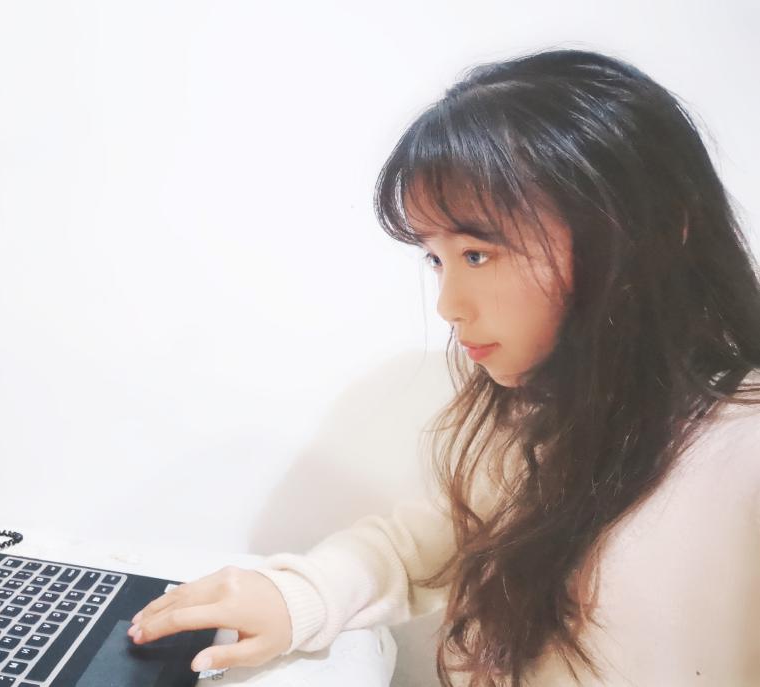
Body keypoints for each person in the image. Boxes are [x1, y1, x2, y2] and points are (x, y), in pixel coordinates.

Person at [127, 48, 760, 686]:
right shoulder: (538, 412)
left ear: (647, 233)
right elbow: (421, 545)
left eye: (477, 254)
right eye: (435, 258)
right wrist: (301, 595)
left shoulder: (742, 456)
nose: (448, 305)